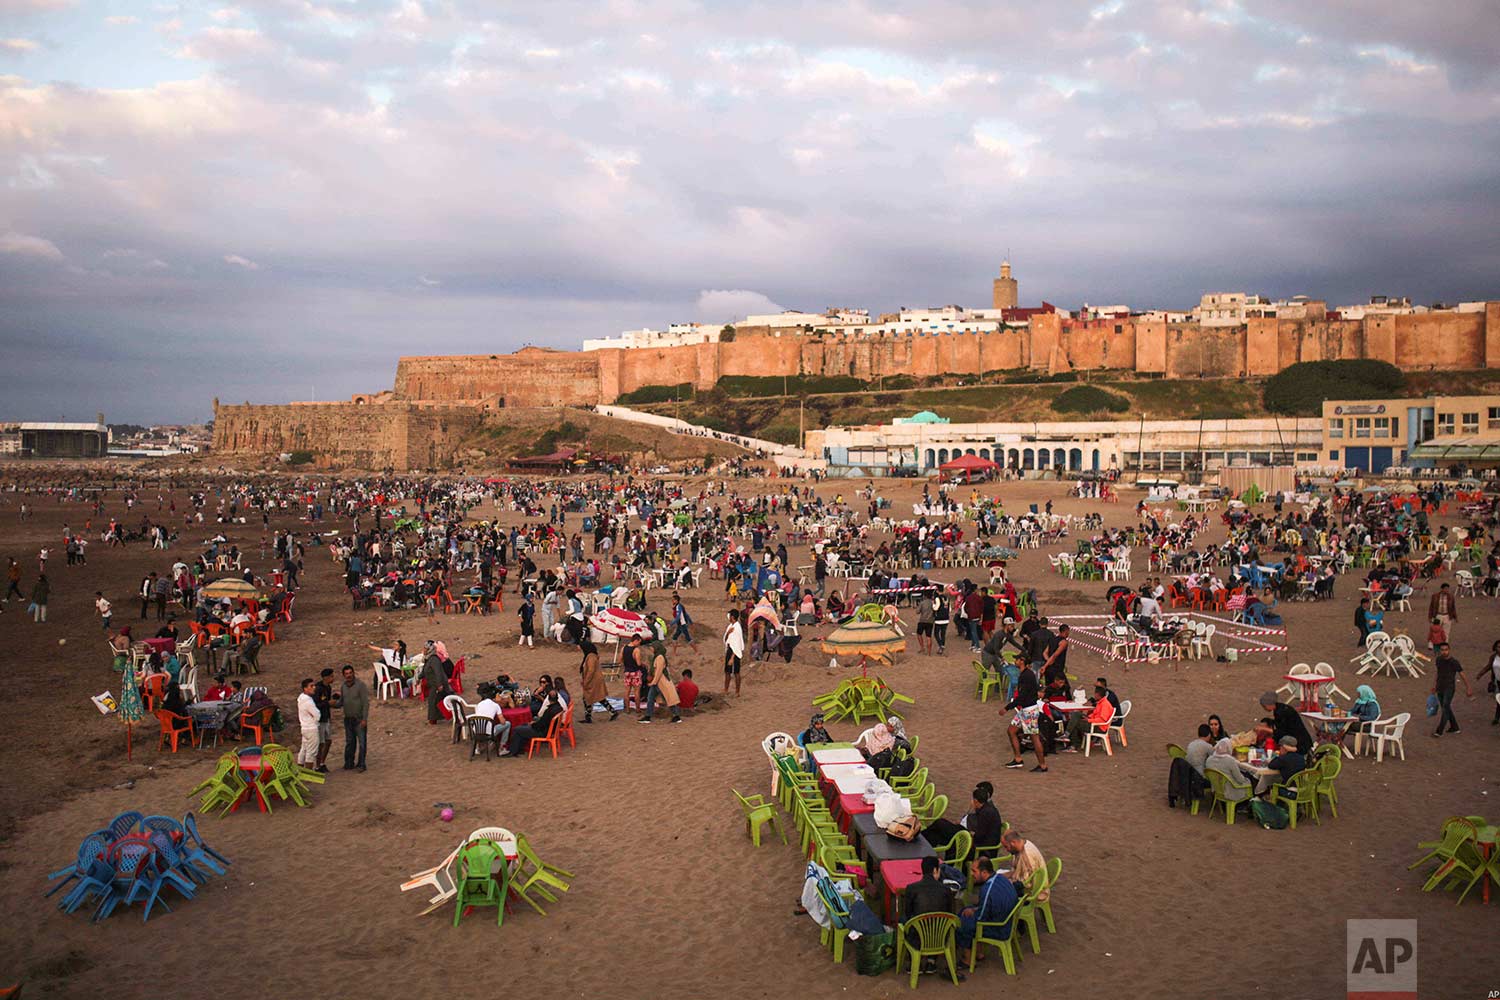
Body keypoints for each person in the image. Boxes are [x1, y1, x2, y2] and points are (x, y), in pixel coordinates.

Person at [957, 855, 1017, 968]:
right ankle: (979, 953)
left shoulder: (987, 890)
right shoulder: (1001, 879)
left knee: (964, 920)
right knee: (967, 910)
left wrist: (972, 912)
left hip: (998, 928)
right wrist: (974, 909)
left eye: (974, 871)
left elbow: (980, 918)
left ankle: (967, 960)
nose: (971, 874)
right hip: (1006, 919)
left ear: (984, 872)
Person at [901, 856, 956, 950]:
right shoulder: (946, 890)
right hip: (940, 937)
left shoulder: (911, 888)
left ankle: (911, 958)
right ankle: (932, 960)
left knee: (902, 919)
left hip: (917, 938)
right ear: (935, 870)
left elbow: (908, 912)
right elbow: (950, 913)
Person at [1003, 661, 1047, 772]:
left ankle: (1042, 765)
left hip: (1029, 711)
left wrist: (1007, 708)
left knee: (1034, 738)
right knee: (1011, 731)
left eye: (1017, 659)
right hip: (1025, 710)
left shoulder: (1026, 676)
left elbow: (1022, 696)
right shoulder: (1028, 674)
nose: (1015, 661)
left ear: (1022, 661)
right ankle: (1018, 759)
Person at [1432, 640, 1474, 737]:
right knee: (1446, 707)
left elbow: (1462, 674)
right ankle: (1455, 727)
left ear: (1449, 650)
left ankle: (1439, 731)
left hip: (1449, 688)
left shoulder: (1454, 662)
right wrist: (1434, 685)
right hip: (1440, 687)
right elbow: (1437, 673)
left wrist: (1468, 687)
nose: (1444, 652)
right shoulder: (1438, 660)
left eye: (1446, 650)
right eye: (1442, 650)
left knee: (1445, 707)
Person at [336, 663, 371, 771]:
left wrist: (364, 718)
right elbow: (341, 702)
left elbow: (365, 703)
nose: (349, 675)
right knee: (350, 743)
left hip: (359, 719)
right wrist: (330, 704)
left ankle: (361, 764)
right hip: (348, 719)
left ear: (354, 673)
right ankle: (349, 763)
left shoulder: (360, 685)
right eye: (346, 674)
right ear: (343, 675)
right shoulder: (343, 686)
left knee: (362, 743)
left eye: (350, 673)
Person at [577, 636, 617, 722]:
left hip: (593, 681)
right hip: (594, 680)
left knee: (588, 698)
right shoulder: (590, 656)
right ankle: (612, 712)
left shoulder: (591, 657)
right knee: (597, 698)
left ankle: (588, 717)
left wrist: (586, 681)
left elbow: (591, 670)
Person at [639, 641, 681, 724]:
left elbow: (658, 672)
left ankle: (676, 716)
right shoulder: (657, 657)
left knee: (668, 699)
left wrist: (653, 682)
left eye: (652, 647)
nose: (651, 648)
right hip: (658, 682)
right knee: (651, 698)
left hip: (661, 682)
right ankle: (648, 716)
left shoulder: (660, 657)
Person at [1002, 831, 1048, 902]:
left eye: (1006, 847)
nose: (1006, 850)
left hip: (1033, 892)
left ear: (1013, 843)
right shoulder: (1023, 844)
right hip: (1026, 882)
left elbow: (1026, 884)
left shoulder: (1027, 856)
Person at [1203, 739, 1250, 808]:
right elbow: (1240, 779)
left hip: (1217, 790)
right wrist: (1246, 779)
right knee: (1250, 781)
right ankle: (1246, 807)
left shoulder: (1209, 760)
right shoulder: (1230, 761)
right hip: (1231, 791)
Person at [963, 782, 1003, 855]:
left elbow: (979, 835)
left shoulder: (986, 812)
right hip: (983, 843)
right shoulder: (985, 808)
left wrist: (971, 833)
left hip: (984, 849)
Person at [313, 668, 335, 772]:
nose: (333, 678)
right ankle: (317, 766)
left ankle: (322, 762)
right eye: (331, 676)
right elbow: (315, 705)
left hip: (326, 718)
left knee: (328, 741)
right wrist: (327, 703)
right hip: (320, 719)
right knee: (321, 743)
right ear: (326, 677)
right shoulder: (318, 689)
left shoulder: (328, 688)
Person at [296, 677, 320, 768]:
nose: (314, 687)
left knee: (304, 750)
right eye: (311, 686)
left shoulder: (301, 698)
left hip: (304, 727)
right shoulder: (308, 701)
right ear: (305, 688)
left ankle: (300, 770)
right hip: (311, 728)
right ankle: (308, 773)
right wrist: (314, 720)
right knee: (311, 752)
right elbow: (317, 715)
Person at [421, 651, 450, 725]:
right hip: (433, 683)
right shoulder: (428, 658)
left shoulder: (434, 660)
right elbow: (425, 670)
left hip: (436, 683)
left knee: (434, 701)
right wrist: (419, 677)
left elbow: (438, 672)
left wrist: (439, 684)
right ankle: (434, 719)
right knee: (434, 701)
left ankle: (433, 719)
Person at [723, 608, 745, 696]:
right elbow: (725, 639)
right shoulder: (730, 626)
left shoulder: (737, 628)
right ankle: (726, 689)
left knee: (736, 672)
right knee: (727, 672)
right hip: (729, 649)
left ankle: (737, 691)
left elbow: (737, 644)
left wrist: (732, 657)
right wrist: (728, 633)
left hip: (734, 652)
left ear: (732, 617)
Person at [1478, 641, 1500, 725]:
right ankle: (1497, 718)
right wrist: (1480, 674)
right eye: (1498, 647)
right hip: (1497, 682)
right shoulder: (1493, 657)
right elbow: (1489, 666)